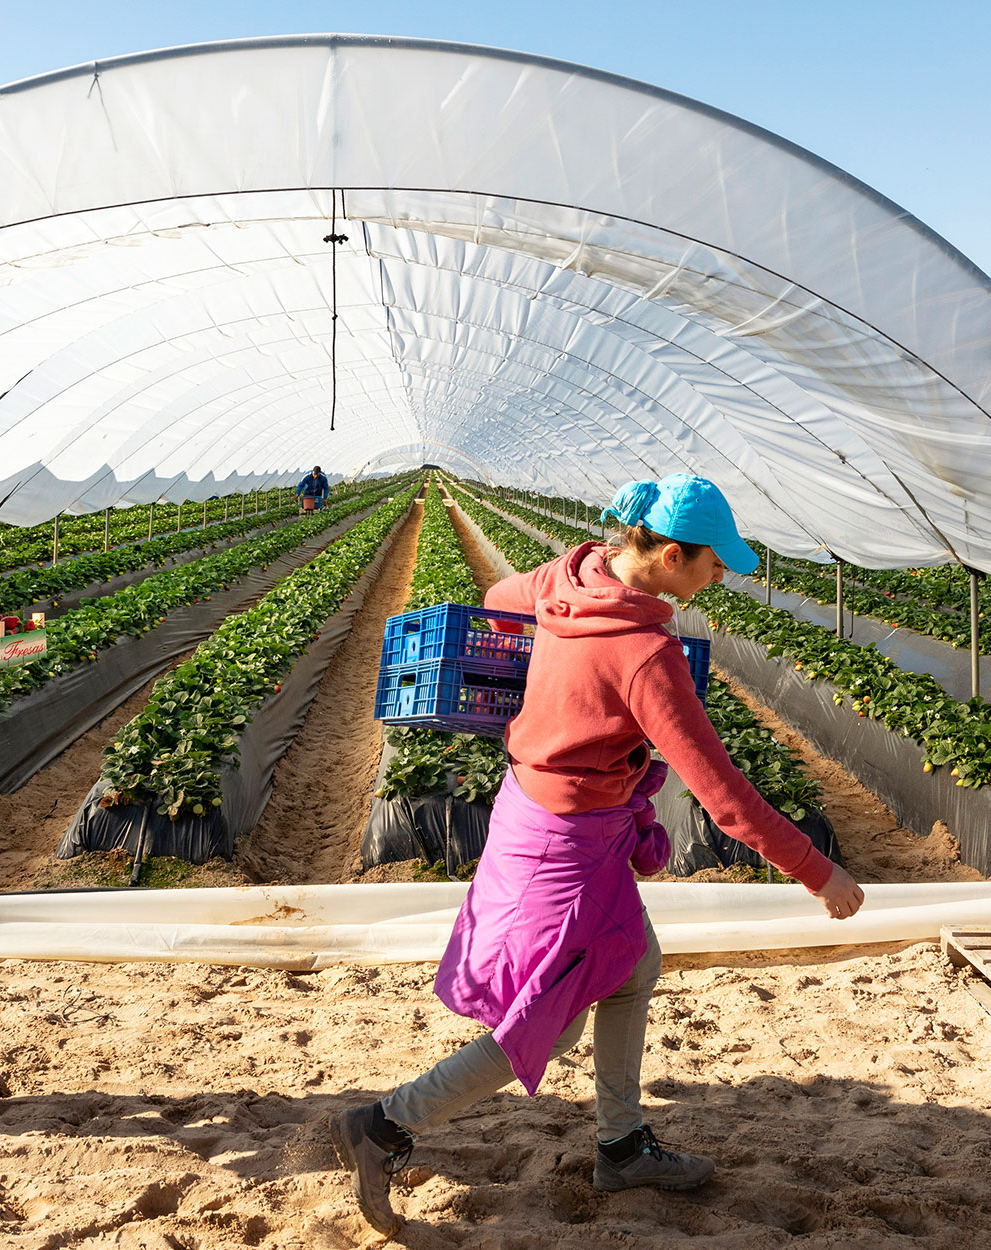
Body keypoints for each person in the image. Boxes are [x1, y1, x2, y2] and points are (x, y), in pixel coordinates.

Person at [330, 474, 863, 1236]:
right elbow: (725, 798)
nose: (722, 576)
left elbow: (500, 600)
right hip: (569, 850)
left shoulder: (572, 575)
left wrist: (559, 696)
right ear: (673, 555)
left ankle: (620, 1144)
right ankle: (383, 1125)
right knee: (547, 1020)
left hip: (538, 812)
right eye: (716, 563)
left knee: (635, 964)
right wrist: (819, 870)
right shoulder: (648, 654)